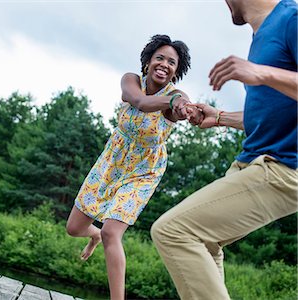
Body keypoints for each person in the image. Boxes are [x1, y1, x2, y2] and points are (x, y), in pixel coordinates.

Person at [150, 1, 297, 299]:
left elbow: (266, 78)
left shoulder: (291, 19)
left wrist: (262, 73)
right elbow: (271, 112)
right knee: (205, 241)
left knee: (172, 231)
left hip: (281, 167)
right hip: (252, 163)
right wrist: (219, 118)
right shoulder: (262, 36)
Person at [66, 34, 203, 300]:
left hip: (144, 171)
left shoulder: (176, 95)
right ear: (148, 61)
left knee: (111, 232)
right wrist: (172, 103)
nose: (164, 64)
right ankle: (93, 236)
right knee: (74, 228)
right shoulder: (131, 81)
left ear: (177, 70)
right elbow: (140, 102)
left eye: (172, 62)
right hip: (112, 161)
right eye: (159, 58)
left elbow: (179, 110)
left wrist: (185, 109)